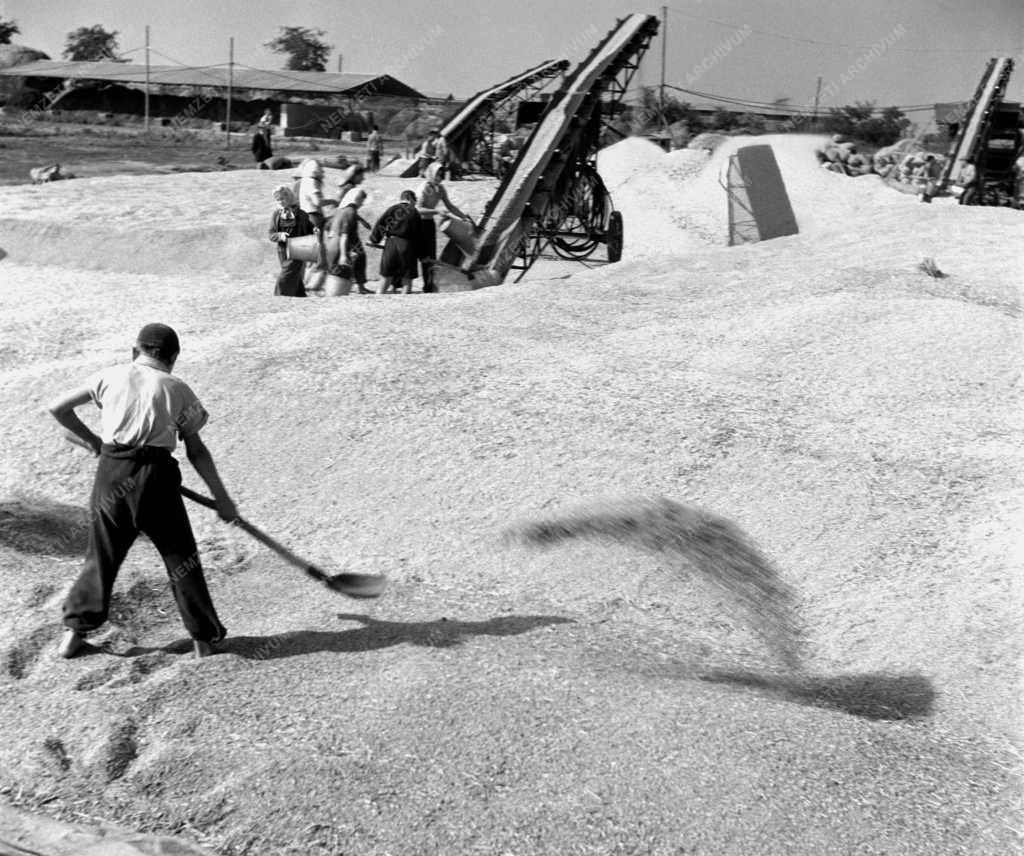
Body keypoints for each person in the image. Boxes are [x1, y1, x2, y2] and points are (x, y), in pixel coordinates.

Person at [48, 323, 237, 661]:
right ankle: (204, 641)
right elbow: (195, 449)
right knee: (181, 558)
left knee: (102, 557)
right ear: (173, 358)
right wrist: (222, 497)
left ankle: (73, 635)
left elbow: (58, 408)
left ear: (135, 351)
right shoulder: (179, 389)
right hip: (156, 477)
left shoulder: (108, 376)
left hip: (112, 472)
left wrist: (94, 442)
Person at [416, 162, 470, 292]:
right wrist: (436, 211)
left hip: (429, 224)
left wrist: (463, 217)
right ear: (431, 173)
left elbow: (450, 206)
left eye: (441, 173)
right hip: (418, 224)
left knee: (431, 256)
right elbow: (417, 209)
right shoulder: (424, 187)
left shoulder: (440, 188)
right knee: (422, 256)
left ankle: (429, 285)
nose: (440, 175)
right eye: (438, 173)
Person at [369, 190, 421, 294]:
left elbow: (381, 224)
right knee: (407, 278)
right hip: (407, 246)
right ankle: (405, 302)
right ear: (411, 199)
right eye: (414, 200)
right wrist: (422, 254)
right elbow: (419, 235)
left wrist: (375, 239)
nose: (415, 203)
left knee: (386, 276)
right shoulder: (414, 212)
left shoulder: (392, 209)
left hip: (390, 245)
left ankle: (378, 297)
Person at [269, 184, 314, 297]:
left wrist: (315, 229)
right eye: (278, 199)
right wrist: (280, 235)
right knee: (292, 273)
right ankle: (300, 294)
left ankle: (279, 295)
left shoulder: (302, 214)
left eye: (282, 198)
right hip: (282, 250)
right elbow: (271, 234)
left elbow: (309, 228)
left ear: (289, 197)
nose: (280, 202)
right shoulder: (277, 215)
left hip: (298, 247)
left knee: (287, 273)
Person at [325, 188, 369, 296]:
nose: (362, 204)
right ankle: (356, 287)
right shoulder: (350, 212)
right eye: (361, 201)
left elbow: (328, 226)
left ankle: (358, 286)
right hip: (348, 244)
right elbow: (344, 236)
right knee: (351, 263)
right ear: (356, 199)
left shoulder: (342, 210)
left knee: (359, 259)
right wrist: (343, 255)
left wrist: (362, 221)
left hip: (336, 243)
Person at [296, 159, 330, 291]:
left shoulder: (304, 181)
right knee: (317, 254)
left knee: (307, 253)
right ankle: (311, 284)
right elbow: (318, 202)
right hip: (313, 217)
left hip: (305, 216)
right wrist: (333, 201)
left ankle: (303, 281)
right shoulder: (312, 183)